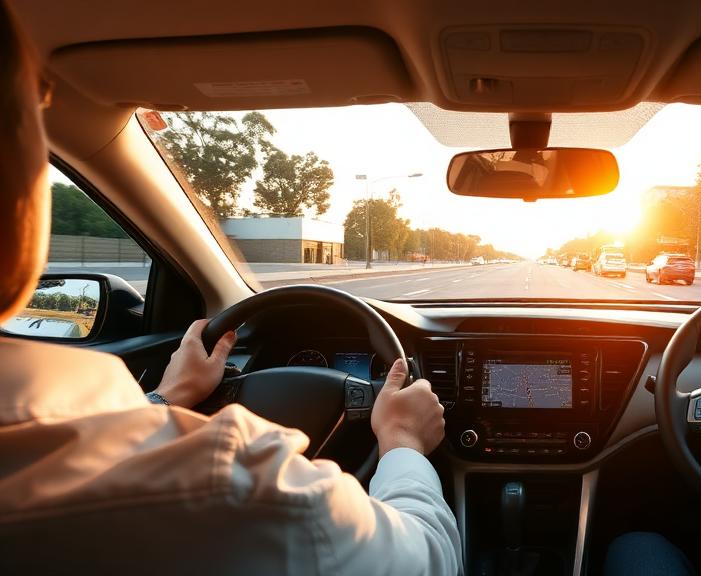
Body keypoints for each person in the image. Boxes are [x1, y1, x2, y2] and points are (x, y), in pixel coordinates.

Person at [0, 2, 460, 574]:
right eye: (39, 102)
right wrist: (402, 442)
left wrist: (167, 398)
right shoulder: (225, 485)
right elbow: (430, 557)